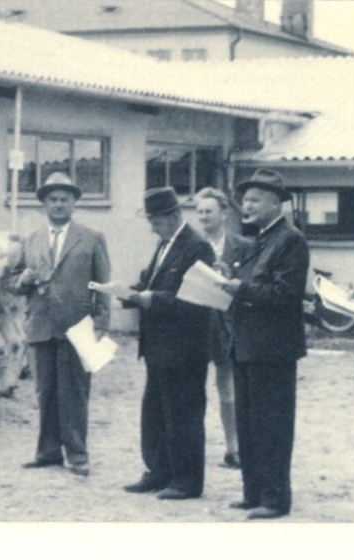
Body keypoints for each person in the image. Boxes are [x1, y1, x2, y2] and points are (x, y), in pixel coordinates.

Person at [220, 169, 309, 520]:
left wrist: (238, 288)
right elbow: (252, 285)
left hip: (273, 349)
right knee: (248, 423)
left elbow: (286, 294)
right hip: (246, 345)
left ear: (276, 203)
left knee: (271, 424)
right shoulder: (260, 239)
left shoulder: (290, 240)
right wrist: (227, 278)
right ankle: (253, 493)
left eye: (255, 199)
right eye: (245, 199)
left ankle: (275, 499)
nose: (247, 205)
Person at [9, 172, 111, 477]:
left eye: (64, 199)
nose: (58, 205)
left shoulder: (91, 238)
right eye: (52, 199)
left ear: (74, 203)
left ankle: (78, 455)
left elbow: (103, 283)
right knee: (46, 391)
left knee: (75, 392)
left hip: (79, 325)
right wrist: (23, 280)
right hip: (40, 324)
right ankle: (48, 451)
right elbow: (13, 282)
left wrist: (102, 324)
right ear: (44, 204)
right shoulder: (31, 239)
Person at [118, 187, 215, 499]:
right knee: (156, 412)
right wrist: (127, 293)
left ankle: (187, 480)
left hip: (185, 348)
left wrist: (150, 299)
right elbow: (148, 282)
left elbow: (197, 299)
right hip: (158, 347)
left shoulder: (197, 247)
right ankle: (159, 471)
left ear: (174, 216)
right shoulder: (165, 243)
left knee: (183, 414)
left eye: (156, 220)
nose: (152, 226)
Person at [194, 186, 250, 470]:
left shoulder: (243, 246)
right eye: (199, 212)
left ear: (225, 213)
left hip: (230, 326)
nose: (203, 217)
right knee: (192, 391)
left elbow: (251, 285)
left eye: (209, 211)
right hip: (198, 327)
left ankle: (234, 447)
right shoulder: (192, 246)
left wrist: (233, 278)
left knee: (228, 390)